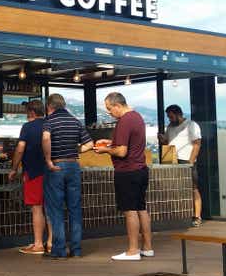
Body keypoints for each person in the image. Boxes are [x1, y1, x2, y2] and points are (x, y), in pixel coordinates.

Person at [94, 92, 153, 261]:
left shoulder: (124, 121)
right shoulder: (137, 117)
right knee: (141, 208)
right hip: (141, 169)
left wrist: (105, 149)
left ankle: (133, 250)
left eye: (109, 109)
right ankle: (147, 247)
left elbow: (121, 151)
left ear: (118, 105)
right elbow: (128, 145)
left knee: (130, 211)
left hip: (127, 171)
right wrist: (111, 144)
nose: (109, 112)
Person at [40, 94, 93, 259]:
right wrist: (75, 151)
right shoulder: (75, 121)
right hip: (73, 165)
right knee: (75, 209)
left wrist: (48, 160)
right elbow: (90, 144)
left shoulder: (49, 121)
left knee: (55, 210)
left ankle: (59, 250)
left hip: (56, 166)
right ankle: (76, 250)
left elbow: (46, 138)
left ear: (49, 106)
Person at [8, 100, 53, 255]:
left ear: (32, 112)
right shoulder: (50, 124)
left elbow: (20, 149)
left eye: (27, 111)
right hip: (51, 172)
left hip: (33, 172)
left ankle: (38, 244)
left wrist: (14, 169)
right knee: (50, 208)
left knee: (37, 208)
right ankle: (51, 242)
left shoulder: (28, 127)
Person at [159, 105, 203, 227]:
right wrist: (162, 139)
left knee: (193, 188)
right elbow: (168, 142)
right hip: (172, 159)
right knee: (176, 188)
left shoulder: (191, 125)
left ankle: (197, 216)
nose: (170, 119)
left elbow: (197, 144)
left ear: (178, 114)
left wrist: (190, 161)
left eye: (171, 116)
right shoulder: (170, 127)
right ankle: (180, 216)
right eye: (168, 117)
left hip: (186, 160)